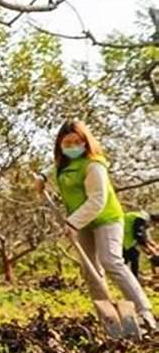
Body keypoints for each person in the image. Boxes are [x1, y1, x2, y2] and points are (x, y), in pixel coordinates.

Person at [37, 120, 156, 331]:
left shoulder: (94, 165)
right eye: (67, 143)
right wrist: (42, 177)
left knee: (110, 261)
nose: (72, 146)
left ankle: (144, 311)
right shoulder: (62, 166)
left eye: (77, 142)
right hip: (82, 224)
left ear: (85, 142)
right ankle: (111, 321)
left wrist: (72, 223)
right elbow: (52, 169)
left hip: (106, 219)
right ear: (60, 145)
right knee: (90, 270)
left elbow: (97, 200)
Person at [123, 211, 159, 278]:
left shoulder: (144, 219)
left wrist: (153, 245)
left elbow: (145, 236)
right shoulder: (141, 219)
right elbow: (139, 236)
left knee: (133, 256)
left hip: (128, 239)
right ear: (155, 220)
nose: (155, 226)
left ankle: (132, 275)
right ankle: (133, 277)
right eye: (156, 224)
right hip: (125, 238)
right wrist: (151, 249)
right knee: (132, 256)